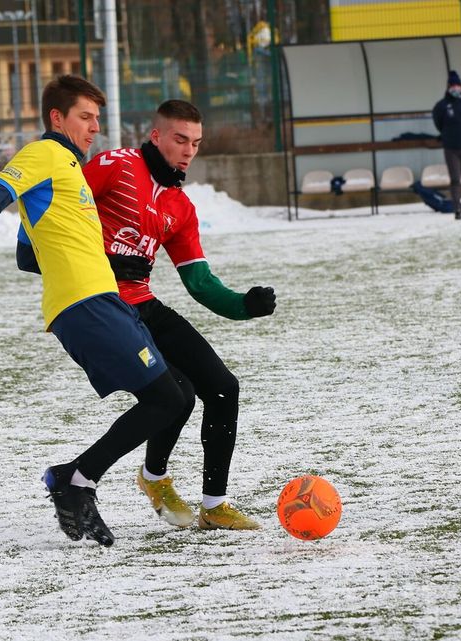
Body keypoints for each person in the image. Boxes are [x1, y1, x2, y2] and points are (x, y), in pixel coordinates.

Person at [0, 75, 187, 548]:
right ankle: (76, 479)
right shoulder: (45, 154)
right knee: (168, 400)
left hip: (101, 301)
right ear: (57, 118)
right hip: (86, 304)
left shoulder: (69, 171)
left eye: (98, 118)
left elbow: (28, 256)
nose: (95, 127)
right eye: (85, 117)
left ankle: (75, 477)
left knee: (179, 390)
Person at [17, 100, 276, 531]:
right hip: (102, 304)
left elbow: (199, 283)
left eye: (195, 142)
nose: (188, 150)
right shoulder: (114, 165)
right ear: (156, 136)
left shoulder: (180, 206)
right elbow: (54, 205)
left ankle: (212, 505)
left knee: (223, 387)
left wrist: (243, 305)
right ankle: (142, 479)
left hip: (144, 304)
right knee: (176, 394)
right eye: (180, 139)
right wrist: (38, 254)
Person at [431, 70, 461, 220]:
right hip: (451, 148)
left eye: (457, 85)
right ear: (447, 87)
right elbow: (438, 123)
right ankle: (457, 209)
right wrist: (447, 134)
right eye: (452, 85)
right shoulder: (441, 105)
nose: (455, 88)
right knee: (455, 179)